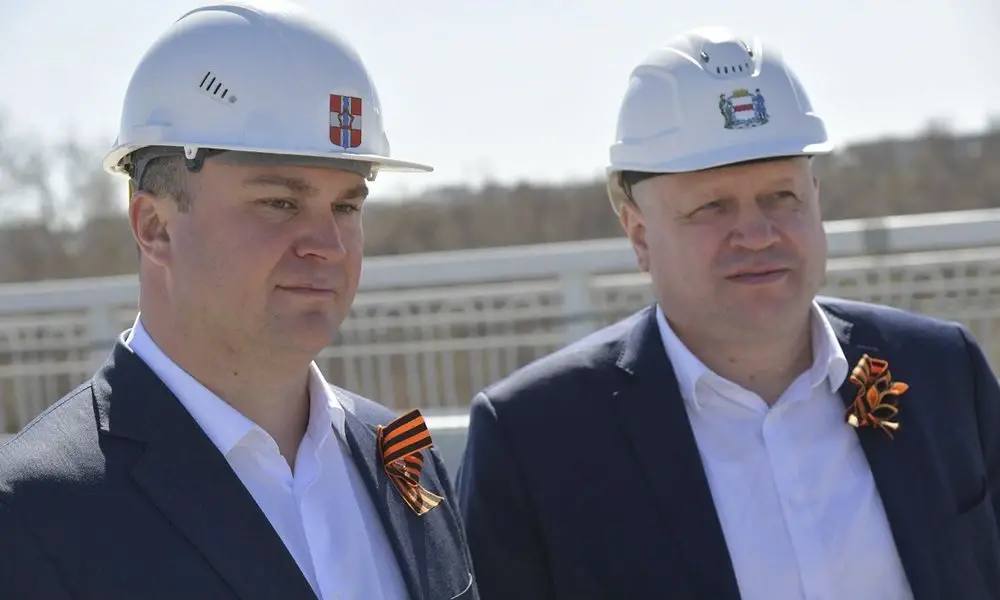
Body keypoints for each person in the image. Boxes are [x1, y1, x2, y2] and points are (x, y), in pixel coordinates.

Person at [457, 26, 999, 600]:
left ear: (816, 199)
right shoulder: (539, 438)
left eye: (781, 196)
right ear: (639, 234)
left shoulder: (940, 372)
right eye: (712, 206)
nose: (758, 234)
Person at [0, 3, 476, 599]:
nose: (328, 244)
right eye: (280, 203)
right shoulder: (35, 511)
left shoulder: (402, 455)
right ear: (155, 226)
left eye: (346, 206)